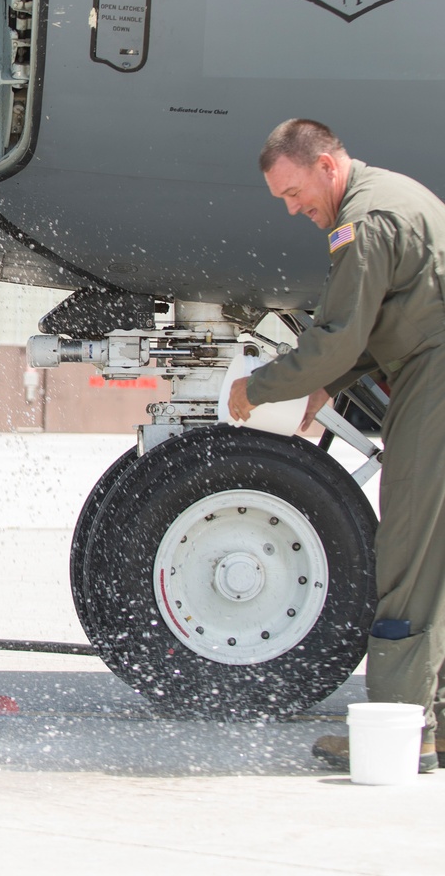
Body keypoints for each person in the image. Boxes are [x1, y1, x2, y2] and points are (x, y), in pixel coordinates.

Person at [228, 119, 445, 775]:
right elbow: (392, 316)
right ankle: (429, 719)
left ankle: (402, 731)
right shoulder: (389, 195)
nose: (296, 209)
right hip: (425, 362)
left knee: (407, 547)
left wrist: (256, 389)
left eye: (295, 193)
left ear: (326, 165)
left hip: (434, 377)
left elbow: (341, 338)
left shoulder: (364, 221)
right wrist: (330, 383)